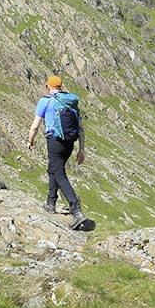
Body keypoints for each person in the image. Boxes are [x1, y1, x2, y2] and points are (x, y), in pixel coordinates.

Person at [26, 75, 91, 230]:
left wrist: (30, 141)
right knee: (53, 169)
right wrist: (81, 150)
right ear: (61, 86)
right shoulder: (70, 102)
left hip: (55, 141)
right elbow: (81, 128)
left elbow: (35, 126)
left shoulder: (45, 101)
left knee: (59, 174)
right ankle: (51, 202)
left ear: (48, 86)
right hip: (69, 143)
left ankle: (76, 211)